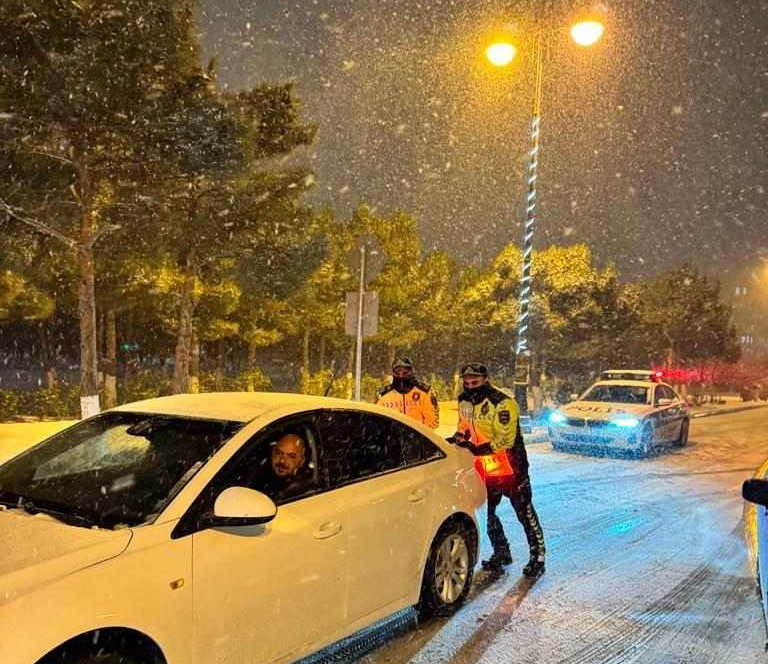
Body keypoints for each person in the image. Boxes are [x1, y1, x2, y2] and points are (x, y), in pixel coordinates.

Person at [450, 362, 546, 577]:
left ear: (485, 379)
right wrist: (459, 438)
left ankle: (538, 556)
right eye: (467, 379)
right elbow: (464, 426)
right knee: (489, 514)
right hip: (484, 469)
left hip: (511, 468)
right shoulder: (463, 400)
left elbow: (506, 439)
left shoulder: (502, 402)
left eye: (475, 378)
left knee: (525, 513)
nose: (470, 382)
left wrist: (477, 449)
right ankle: (501, 552)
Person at [376, 357, 439, 429]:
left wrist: (419, 435)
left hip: (418, 437)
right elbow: (378, 421)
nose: (401, 375)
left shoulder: (425, 392)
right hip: (393, 437)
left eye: (405, 372)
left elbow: (433, 422)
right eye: (397, 372)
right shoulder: (383, 395)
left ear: (412, 372)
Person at [256, 433, 313, 502]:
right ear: (272, 453)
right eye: (279, 453)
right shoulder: (257, 477)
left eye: (291, 456)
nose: (282, 461)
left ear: (301, 462)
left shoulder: (303, 494)